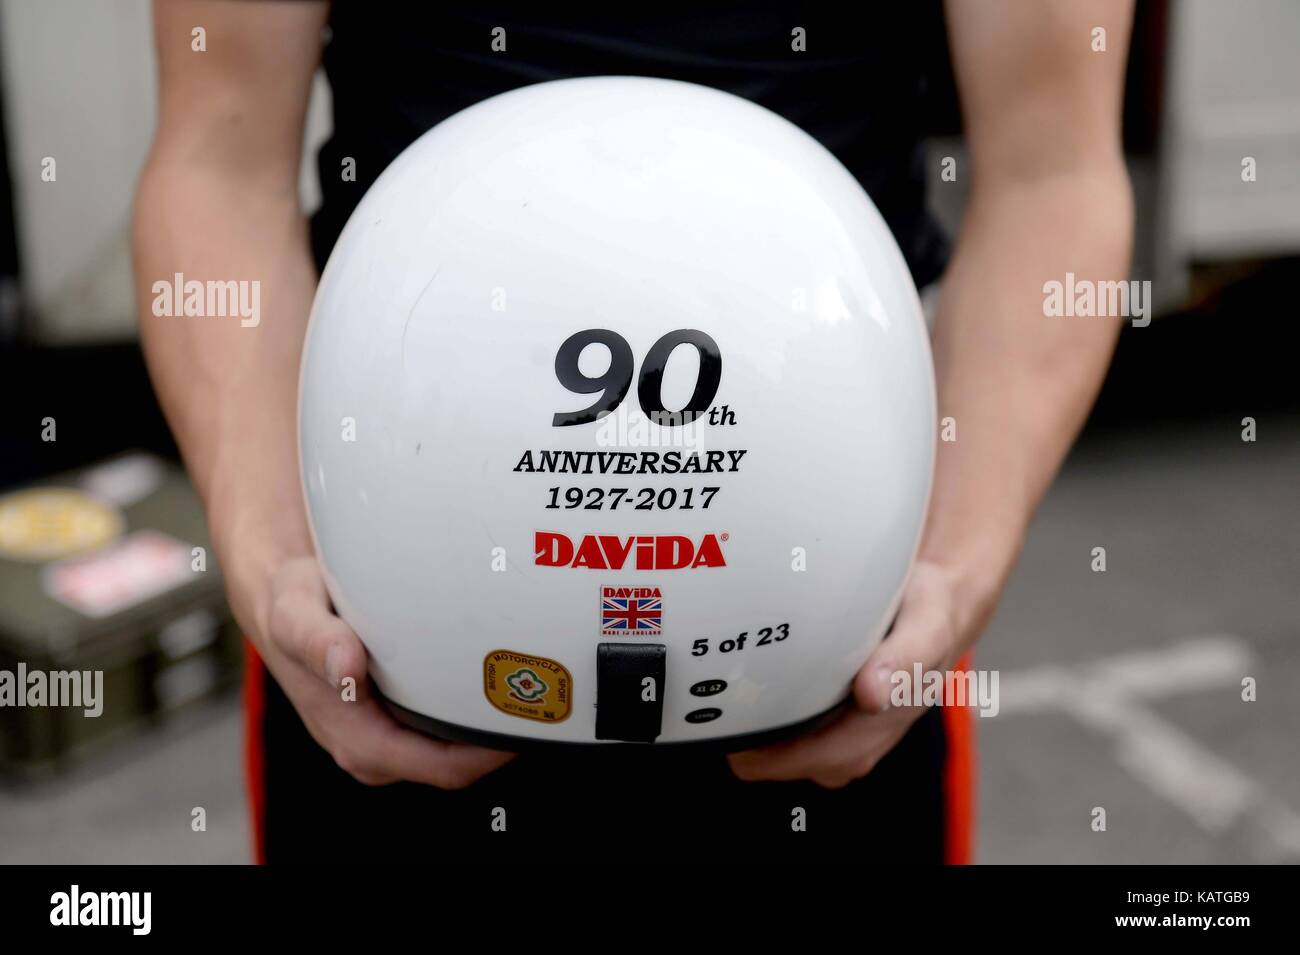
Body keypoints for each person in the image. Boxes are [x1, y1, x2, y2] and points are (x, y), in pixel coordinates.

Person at [134, 0, 1134, 863]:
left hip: (838, 637)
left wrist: (959, 560)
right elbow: (218, 161)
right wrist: (269, 551)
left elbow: (1054, 171)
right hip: (383, 622)